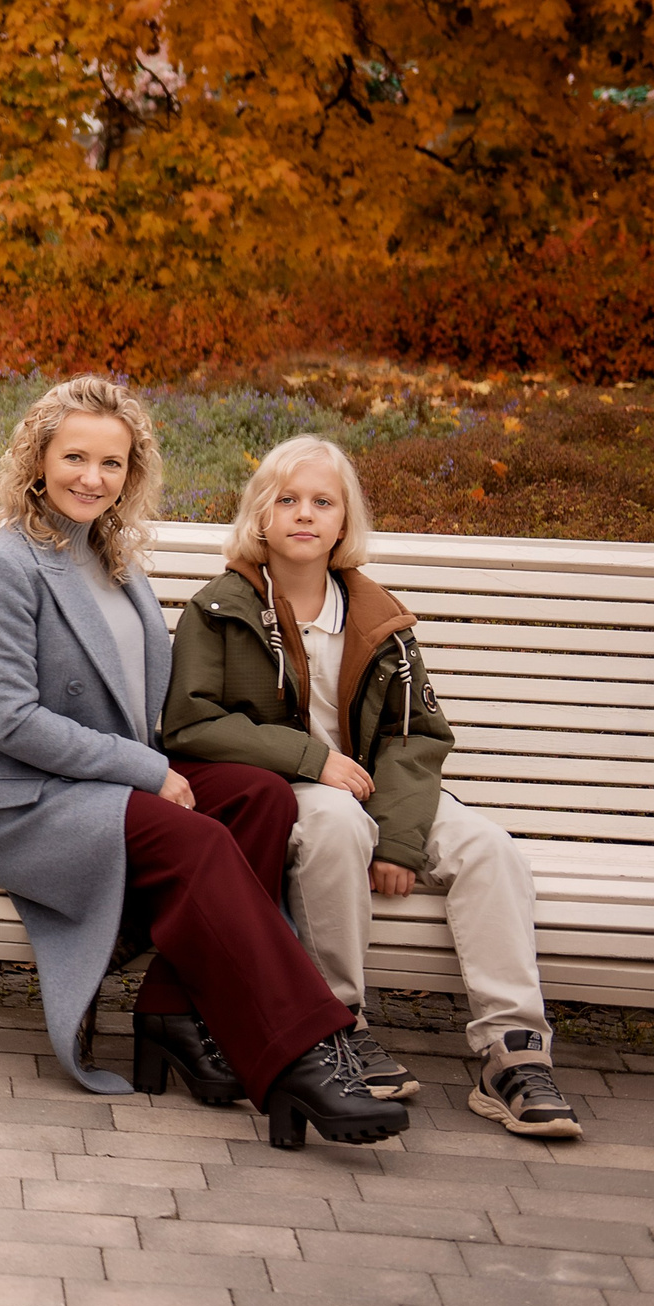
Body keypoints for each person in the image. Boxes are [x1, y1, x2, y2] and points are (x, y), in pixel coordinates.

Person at [0, 376, 408, 1149]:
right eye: (74, 457)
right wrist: (146, 771)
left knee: (262, 797)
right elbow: (14, 720)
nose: (92, 477)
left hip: (107, 780)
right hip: (28, 799)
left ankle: (170, 1008)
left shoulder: (116, 564)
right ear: (37, 461)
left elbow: (143, 708)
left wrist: (169, 764)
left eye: (113, 462)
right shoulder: (8, 566)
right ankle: (307, 1048)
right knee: (196, 841)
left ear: (132, 472)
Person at [164, 436, 582, 1138]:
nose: (304, 514)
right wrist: (309, 756)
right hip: (291, 785)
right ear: (259, 516)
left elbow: (419, 737)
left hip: (383, 790)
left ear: (344, 521)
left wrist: (402, 838)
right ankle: (339, 1026)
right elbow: (191, 724)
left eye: (322, 501)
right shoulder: (221, 609)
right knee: (334, 823)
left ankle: (512, 1053)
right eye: (286, 500)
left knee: (491, 850)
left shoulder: (380, 619)